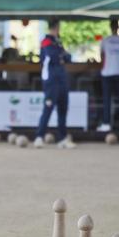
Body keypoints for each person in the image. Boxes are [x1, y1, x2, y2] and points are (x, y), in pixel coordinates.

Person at [34, 19, 76, 149]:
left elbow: (68, 57)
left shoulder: (58, 42)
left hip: (62, 79)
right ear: (55, 27)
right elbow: (53, 55)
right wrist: (62, 56)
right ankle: (39, 137)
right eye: (58, 27)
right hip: (51, 80)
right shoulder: (46, 41)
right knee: (48, 108)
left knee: (63, 109)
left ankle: (62, 138)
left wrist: (62, 56)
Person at [96, 19, 119, 133]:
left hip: (107, 73)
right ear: (118, 27)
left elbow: (102, 57)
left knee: (107, 99)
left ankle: (106, 123)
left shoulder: (105, 41)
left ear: (110, 27)